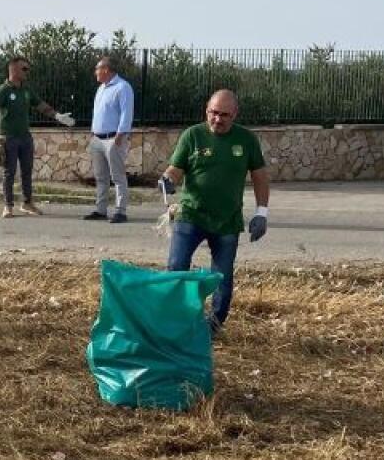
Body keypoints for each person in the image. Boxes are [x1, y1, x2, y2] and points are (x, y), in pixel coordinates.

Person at [158, 90, 270, 334]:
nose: (218, 120)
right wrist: (168, 180)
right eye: (213, 113)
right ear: (206, 111)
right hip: (191, 214)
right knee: (176, 267)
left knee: (222, 276)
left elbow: (260, 176)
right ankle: (173, 320)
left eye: (224, 115)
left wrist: (262, 212)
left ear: (235, 115)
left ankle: (213, 326)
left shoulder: (246, 140)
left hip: (227, 220)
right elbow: (176, 169)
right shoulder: (193, 135)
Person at [0, 56, 75, 218]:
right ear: (13, 69)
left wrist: (57, 116)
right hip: (8, 137)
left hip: (25, 137)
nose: (27, 72)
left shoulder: (26, 90)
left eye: (28, 69)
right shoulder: (3, 90)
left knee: (27, 171)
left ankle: (27, 203)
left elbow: (40, 105)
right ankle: (8, 206)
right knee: (9, 172)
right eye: (24, 69)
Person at [83, 57, 135, 224]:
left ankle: (121, 211)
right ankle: (101, 209)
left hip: (114, 138)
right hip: (97, 138)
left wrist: (121, 134)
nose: (95, 73)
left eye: (97, 69)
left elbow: (126, 112)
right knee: (100, 176)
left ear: (105, 69)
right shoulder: (101, 89)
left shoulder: (122, 87)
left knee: (118, 176)